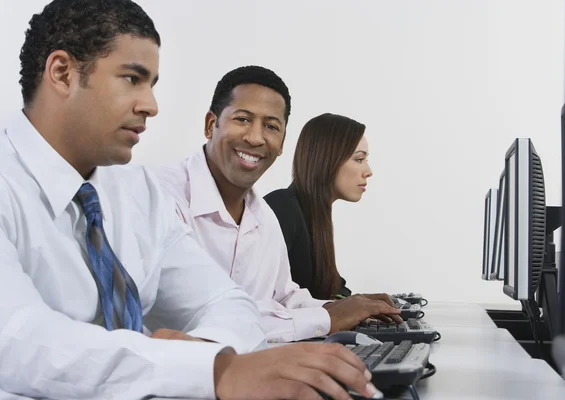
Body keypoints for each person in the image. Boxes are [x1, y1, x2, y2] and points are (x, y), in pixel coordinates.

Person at [0, 1, 383, 399]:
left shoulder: (136, 193)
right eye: (132, 79)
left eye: (152, 84)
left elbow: (227, 303)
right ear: (62, 73)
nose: (151, 105)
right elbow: (18, 340)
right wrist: (211, 370)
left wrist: (203, 356)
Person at [155, 65, 401, 345]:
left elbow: (283, 298)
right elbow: (208, 319)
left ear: (282, 143)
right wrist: (328, 318)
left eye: (271, 127)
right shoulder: (161, 198)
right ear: (211, 125)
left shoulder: (264, 217)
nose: (256, 137)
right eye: (243, 119)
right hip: (177, 383)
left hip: (251, 375)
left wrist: (345, 308)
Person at [265, 113, 373, 300]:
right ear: (328, 159)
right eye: (359, 159)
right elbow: (267, 303)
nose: (368, 171)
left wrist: (361, 304)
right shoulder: (282, 208)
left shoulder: (316, 216)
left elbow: (334, 287)